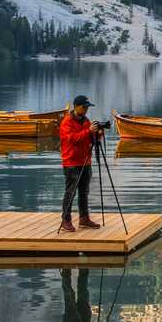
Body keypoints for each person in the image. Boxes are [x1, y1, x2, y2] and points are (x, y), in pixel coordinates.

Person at [57, 94, 104, 233]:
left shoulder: (86, 121)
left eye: (87, 107)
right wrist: (88, 131)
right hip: (71, 162)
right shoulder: (66, 122)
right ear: (76, 107)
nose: (86, 110)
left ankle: (84, 219)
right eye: (84, 107)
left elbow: (90, 139)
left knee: (84, 192)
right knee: (70, 192)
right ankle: (66, 220)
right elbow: (72, 139)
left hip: (85, 161)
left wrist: (98, 133)